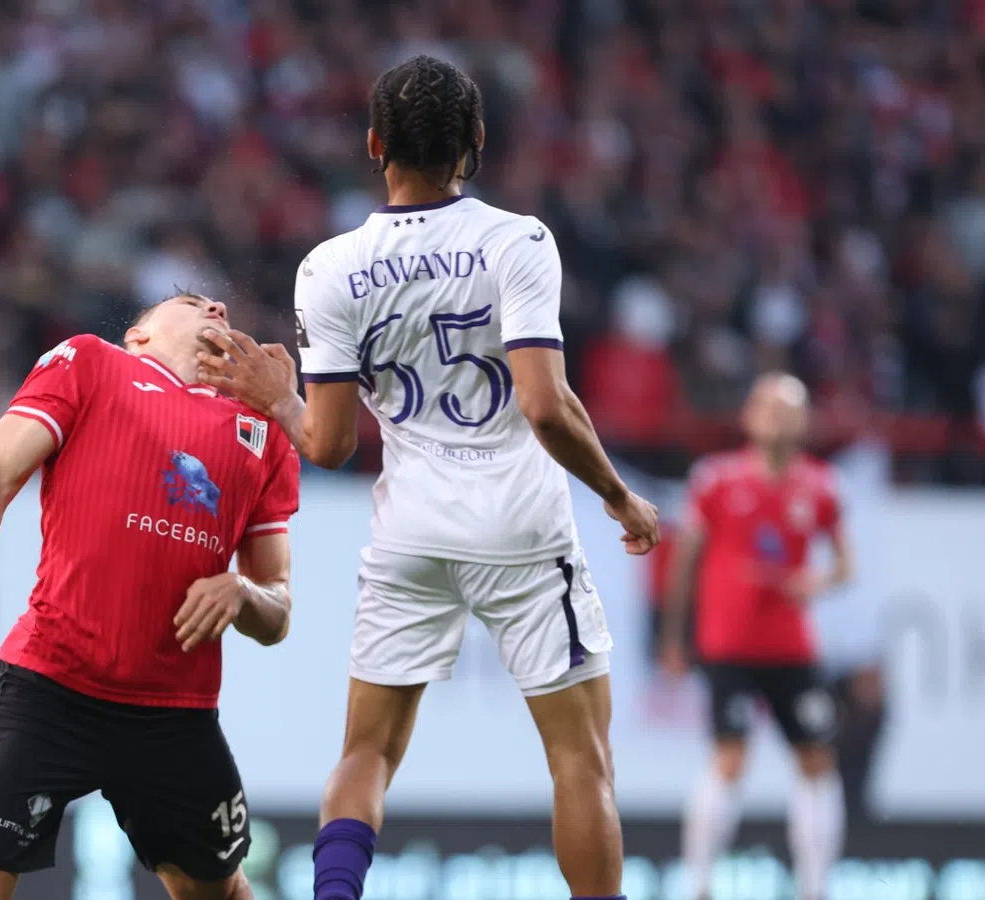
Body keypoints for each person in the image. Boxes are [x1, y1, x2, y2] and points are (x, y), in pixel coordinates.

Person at [199, 55, 658, 900]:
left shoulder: (329, 267)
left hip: (411, 531)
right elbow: (548, 407)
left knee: (367, 754)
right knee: (580, 760)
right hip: (522, 528)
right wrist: (618, 495)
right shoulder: (517, 241)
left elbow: (330, 444)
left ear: (374, 144)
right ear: (476, 143)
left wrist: (277, 398)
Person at [0, 291, 301, 900]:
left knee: (218, 893)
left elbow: (278, 610)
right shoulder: (91, 364)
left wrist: (241, 591)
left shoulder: (263, 429)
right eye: (191, 302)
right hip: (52, 686)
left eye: (223, 308)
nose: (215, 309)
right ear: (139, 335)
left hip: (173, 710)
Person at [661, 373, 852, 900]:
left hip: (793, 646)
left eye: (790, 408)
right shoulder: (716, 479)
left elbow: (845, 564)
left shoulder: (820, 485)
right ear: (747, 416)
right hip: (729, 644)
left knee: (816, 757)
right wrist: (672, 637)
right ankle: (698, 883)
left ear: (806, 421)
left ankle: (816, 888)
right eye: (767, 406)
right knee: (730, 755)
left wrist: (821, 580)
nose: (777, 416)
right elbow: (685, 560)